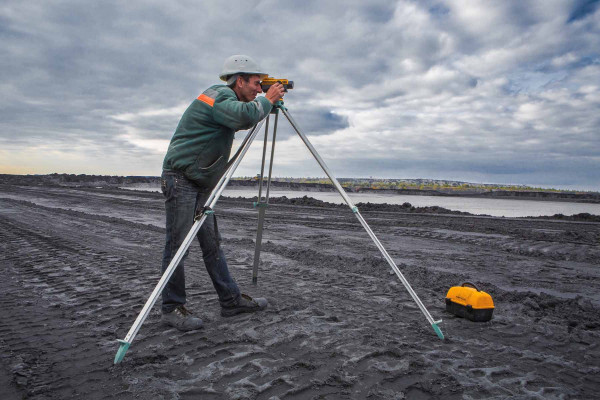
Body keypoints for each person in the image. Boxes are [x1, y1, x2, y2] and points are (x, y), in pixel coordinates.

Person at [159, 55, 285, 331]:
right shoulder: (218, 95)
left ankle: (230, 300)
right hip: (181, 179)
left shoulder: (229, 98)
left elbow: (247, 115)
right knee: (177, 245)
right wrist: (268, 100)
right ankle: (170, 308)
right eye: (255, 83)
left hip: (199, 183)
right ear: (239, 80)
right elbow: (244, 116)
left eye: (262, 86)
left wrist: (265, 102)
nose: (259, 89)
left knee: (212, 244)